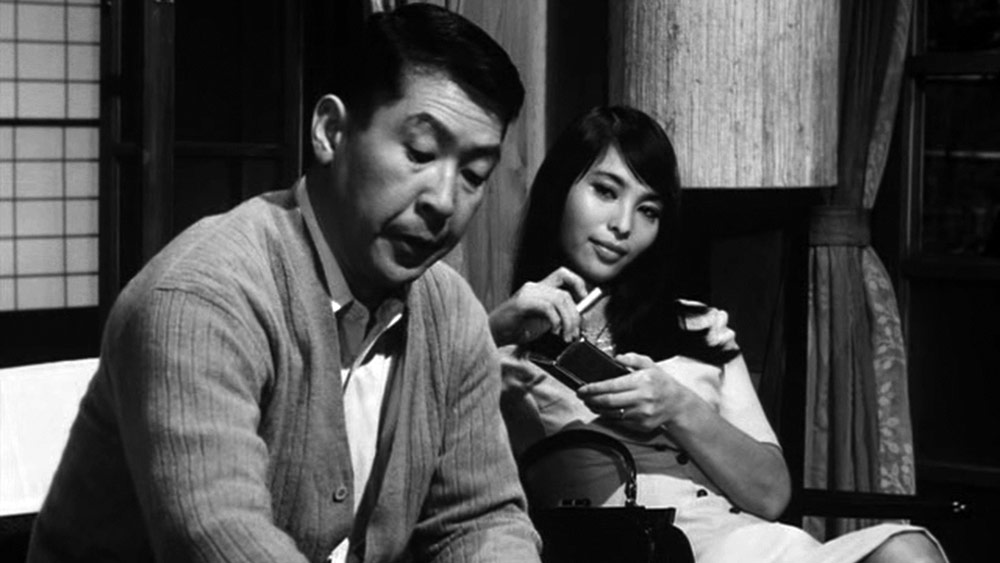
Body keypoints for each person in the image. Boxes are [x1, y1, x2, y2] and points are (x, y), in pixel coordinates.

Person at [28, 5, 541, 562]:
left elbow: (480, 519)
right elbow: (218, 536)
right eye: (420, 153)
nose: (444, 200)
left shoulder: (452, 312)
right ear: (330, 132)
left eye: (473, 175)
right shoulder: (202, 297)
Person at [492, 106, 947, 563]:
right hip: (648, 552)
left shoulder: (697, 326)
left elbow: (771, 496)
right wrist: (494, 329)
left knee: (906, 549)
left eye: (648, 210)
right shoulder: (502, 351)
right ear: (560, 188)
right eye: (606, 191)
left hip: (758, 546)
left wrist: (678, 406)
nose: (623, 225)